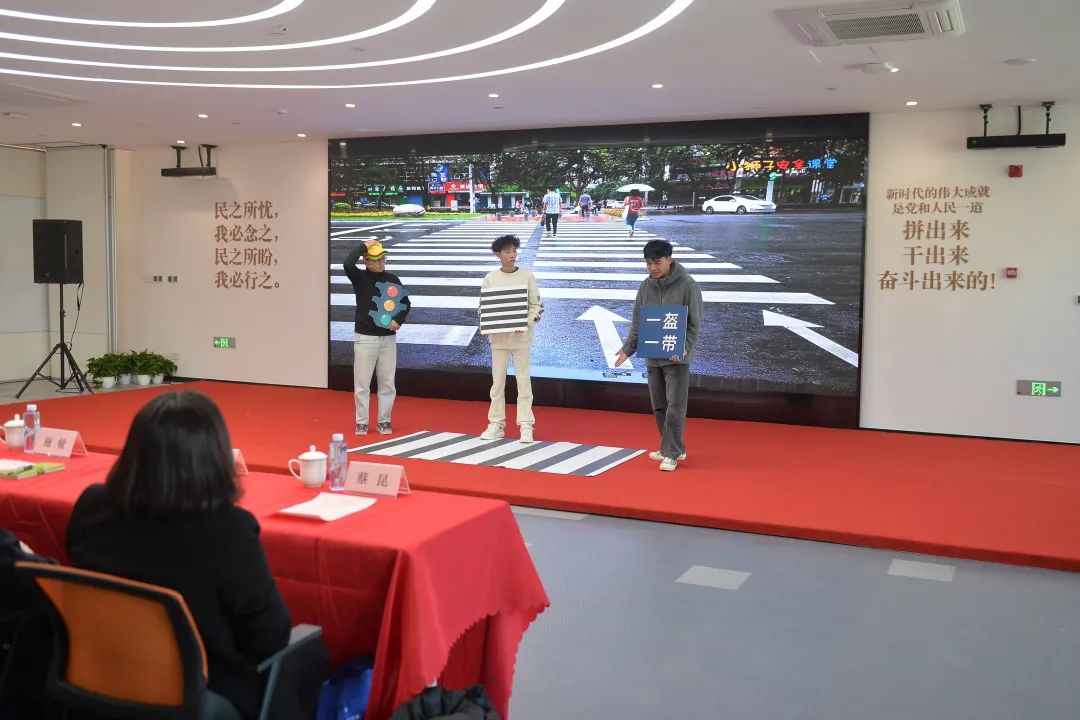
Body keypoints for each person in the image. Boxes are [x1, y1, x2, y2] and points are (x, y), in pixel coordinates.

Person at [66, 391, 326, 719]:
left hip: (97, 679)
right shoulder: (228, 529)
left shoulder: (92, 506)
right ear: (214, 458)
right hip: (195, 695)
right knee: (310, 653)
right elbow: (270, 636)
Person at [614, 240, 703, 472]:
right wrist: (627, 349)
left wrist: (684, 347)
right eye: (648, 263)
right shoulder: (645, 287)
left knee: (675, 406)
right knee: (659, 406)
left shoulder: (688, 285)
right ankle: (673, 447)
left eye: (657, 262)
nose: (652, 268)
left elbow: (694, 324)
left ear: (669, 260)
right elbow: (638, 323)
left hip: (676, 359)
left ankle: (671, 453)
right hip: (653, 356)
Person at [479, 235, 544, 444]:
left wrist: (525, 323)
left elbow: (537, 306)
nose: (512, 255)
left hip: (521, 339)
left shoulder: (526, 276)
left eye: (514, 250)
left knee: (523, 383)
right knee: (497, 385)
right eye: (507, 251)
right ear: (498, 255)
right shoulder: (490, 278)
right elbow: (483, 307)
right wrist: (486, 324)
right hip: (498, 340)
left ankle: (526, 426)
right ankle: (496, 424)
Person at [343, 241, 411, 435]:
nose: (381, 262)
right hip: (365, 337)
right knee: (362, 383)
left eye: (383, 259)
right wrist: (363, 246)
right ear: (366, 261)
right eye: (376, 259)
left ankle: (384, 421)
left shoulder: (392, 279)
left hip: (388, 338)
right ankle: (362, 422)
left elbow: (405, 303)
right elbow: (348, 263)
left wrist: (399, 320)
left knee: (387, 382)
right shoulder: (360, 278)